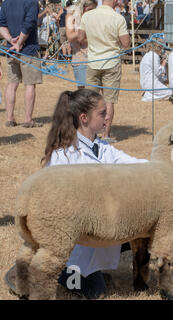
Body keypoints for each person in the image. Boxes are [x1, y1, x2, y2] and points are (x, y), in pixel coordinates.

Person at [42, 89, 148, 299]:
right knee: (96, 292)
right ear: (84, 118)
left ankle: (127, 272)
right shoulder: (63, 157)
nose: (107, 116)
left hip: (100, 231)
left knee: (146, 218)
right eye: (101, 113)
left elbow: (138, 165)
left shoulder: (103, 148)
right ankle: (62, 272)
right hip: (73, 243)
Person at [79, 0, 130, 143]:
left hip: (93, 61)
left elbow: (80, 37)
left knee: (90, 101)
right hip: (111, 63)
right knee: (109, 101)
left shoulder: (87, 16)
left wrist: (95, 42)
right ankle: (106, 135)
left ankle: (89, 133)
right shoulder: (118, 18)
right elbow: (126, 44)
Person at [0, 0, 43, 128]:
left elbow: (2, 25)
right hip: (28, 49)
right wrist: (18, 43)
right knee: (29, 84)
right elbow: (29, 24)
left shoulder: (6, 3)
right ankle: (28, 120)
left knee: (12, 84)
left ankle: (9, 118)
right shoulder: (31, 2)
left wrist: (10, 41)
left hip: (11, 49)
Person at [65, 0, 98, 89]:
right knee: (83, 93)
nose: (92, 12)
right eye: (90, 9)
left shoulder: (95, 17)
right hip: (80, 59)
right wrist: (83, 28)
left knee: (97, 92)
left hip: (97, 58)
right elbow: (70, 36)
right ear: (82, 7)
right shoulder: (71, 17)